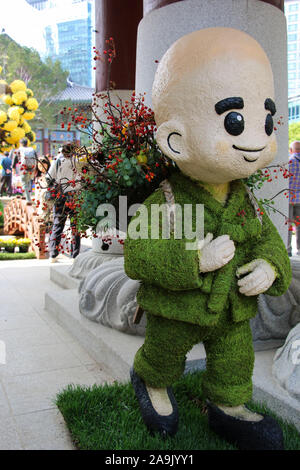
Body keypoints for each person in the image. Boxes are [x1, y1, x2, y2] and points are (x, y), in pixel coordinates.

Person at [124, 28, 291, 450]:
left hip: (231, 312)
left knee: (235, 362)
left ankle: (228, 405)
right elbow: (139, 257)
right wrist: (194, 260)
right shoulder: (164, 202)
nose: (256, 139)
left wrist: (270, 266)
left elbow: (269, 242)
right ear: (174, 140)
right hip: (178, 310)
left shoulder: (246, 201)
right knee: (164, 355)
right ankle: (150, 379)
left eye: (266, 121)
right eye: (234, 122)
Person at [47, 142, 81, 262]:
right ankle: (75, 255)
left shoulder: (57, 161)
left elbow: (49, 177)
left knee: (58, 224)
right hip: (76, 196)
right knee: (75, 226)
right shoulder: (79, 162)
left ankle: (53, 253)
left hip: (61, 195)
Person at [288, 140, 300, 256]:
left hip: (289, 198)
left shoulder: (290, 161)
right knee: (299, 225)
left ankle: (288, 250)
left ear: (291, 150)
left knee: (288, 225)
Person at [19, 138, 37, 202]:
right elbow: (36, 158)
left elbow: (15, 159)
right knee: (29, 182)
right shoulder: (32, 149)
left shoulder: (20, 150)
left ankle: (28, 199)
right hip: (31, 169)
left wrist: (13, 168)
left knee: (24, 183)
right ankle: (28, 196)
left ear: (20, 143)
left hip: (23, 169)